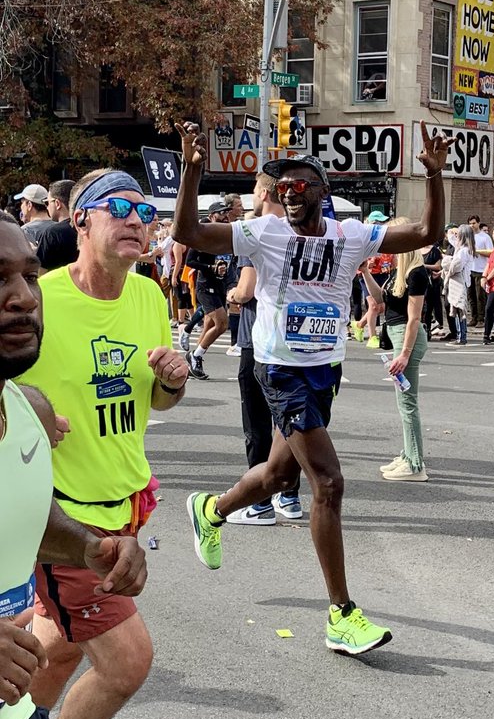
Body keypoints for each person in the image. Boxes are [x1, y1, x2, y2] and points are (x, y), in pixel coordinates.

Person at [173, 120, 452, 656]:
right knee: (328, 482)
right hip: (280, 370)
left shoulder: (349, 236)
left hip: (324, 370)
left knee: (280, 475)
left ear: (322, 192)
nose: (290, 195)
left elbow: (424, 236)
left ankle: (211, 509)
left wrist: (434, 176)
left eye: (300, 186)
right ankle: (341, 615)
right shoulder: (265, 234)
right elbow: (189, 233)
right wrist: (191, 169)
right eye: (282, 189)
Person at [20, 168, 188, 719]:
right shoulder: (41, 299)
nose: (136, 218)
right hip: (62, 521)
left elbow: (157, 402)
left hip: (123, 508)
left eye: (144, 210)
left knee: (53, 653)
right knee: (127, 661)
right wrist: (30, 403)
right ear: (79, 222)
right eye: (117, 207)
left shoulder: (149, 296)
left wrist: (173, 380)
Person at [0, 209, 147, 719]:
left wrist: (91, 547)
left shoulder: (22, 408)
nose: (21, 295)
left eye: (29, 275)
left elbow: (26, 508)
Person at [226, 174, 302, 524]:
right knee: (288, 421)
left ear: (264, 192)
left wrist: (233, 295)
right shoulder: (300, 228)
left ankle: (259, 504)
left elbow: (247, 288)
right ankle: (290, 494)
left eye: (254, 190)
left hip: (257, 338)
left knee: (257, 422)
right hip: (292, 340)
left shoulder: (256, 230)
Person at [365, 228, 429, 481]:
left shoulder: (417, 273)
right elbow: (381, 300)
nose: (389, 249)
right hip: (397, 333)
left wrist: (403, 355)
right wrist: (365, 272)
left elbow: (414, 319)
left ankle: (415, 464)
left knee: (407, 403)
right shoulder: (398, 273)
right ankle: (408, 454)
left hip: (406, 336)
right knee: (404, 402)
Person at [185, 200, 232, 379]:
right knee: (222, 324)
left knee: (210, 325)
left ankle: (194, 360)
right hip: (206, 286)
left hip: (220, 284)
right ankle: (195, 356)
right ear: (212, 216)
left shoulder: (226, 233)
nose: (225, 216)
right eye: (221, 213)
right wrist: (211, 267)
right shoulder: (203, 235)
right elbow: (190, 261)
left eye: (226, 212)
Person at [358, 211, 392, 349]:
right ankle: (372, 337)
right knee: (373, 305)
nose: (380, 225)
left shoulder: (386, 239)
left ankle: (360, 324)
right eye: (377, 223)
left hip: (383, 275)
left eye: (382, 222)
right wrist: (367, 264)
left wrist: (390, 266)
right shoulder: (364, 238)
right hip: (367, 275)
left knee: (381, 306)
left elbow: (391, 257)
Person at [34, 179, 79, 272]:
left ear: (57, 204)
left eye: (47, 202)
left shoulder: (52, 233)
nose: (47, 207)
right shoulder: (87, 227)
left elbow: (39, 273)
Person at [443, 224, 475, 345]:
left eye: (459, 234)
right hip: (458, 280)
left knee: (460, 308)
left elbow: (457, 266)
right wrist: (456, 230)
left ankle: (461, 336)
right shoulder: (461, 248)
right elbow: (450, 235)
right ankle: (460, 336)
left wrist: (448, 264)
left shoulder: (464, 251)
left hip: (460, 280)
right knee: (456, 308)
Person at [467, 215, 493, 327]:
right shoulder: (468, 236)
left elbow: (491, 252)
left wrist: (477, 251)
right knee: (470, 295)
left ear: (478, 223)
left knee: (480, 296)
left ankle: (481, 318)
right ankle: (474, 317)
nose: (472, 225)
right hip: (469, 269)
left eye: (474, 223)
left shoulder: (485, 237)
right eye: (470, 223)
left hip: (480, 269)